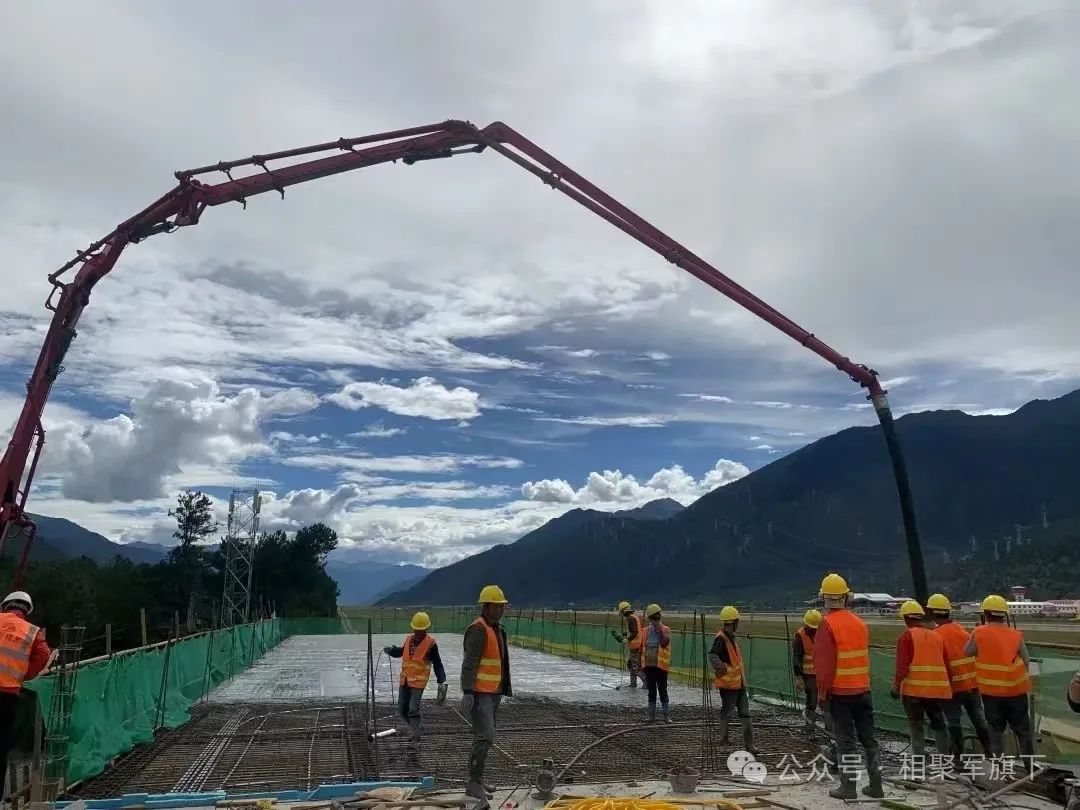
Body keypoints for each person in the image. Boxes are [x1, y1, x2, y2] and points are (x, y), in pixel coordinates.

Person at [813, 573, 883, 801]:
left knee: (846, 743)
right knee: (869, 741)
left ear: (824, 598)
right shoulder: (859, 623)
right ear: (846, 597)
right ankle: (876, 786)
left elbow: (824, 666)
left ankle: (849, 788)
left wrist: (822, 695)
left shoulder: (827, 624)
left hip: (840, 694)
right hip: (863, 691)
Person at [965, 594, 1034, 758]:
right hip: (1016, 690)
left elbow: (967, 652)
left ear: (985, 614)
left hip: (991, 692)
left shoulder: (979, 632)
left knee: (995, 730)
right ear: (1005, 615)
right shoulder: (1016, 635)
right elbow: (1026, 660)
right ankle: (1030, 766)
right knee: (1023, 731)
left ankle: (999, 767)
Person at [461, 585, 512, 802]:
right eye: (498, 606)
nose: (501, 610)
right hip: (480, 693)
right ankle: (473, 783)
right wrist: (468, 692)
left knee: (484, 737)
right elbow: (469, 663)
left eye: (502, 606)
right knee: (486, 735)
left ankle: (477, 780)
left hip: (493, 693)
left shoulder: (497, 628)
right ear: (487, 606)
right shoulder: (478, 629)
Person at [927, 592, 992, 757]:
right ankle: (991, 753)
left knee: (953, 722)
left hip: (953, 687)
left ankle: (958, 758)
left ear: (933, 613)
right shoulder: (962, 631)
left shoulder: (935, 636)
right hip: (972, 684)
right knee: (979, 720)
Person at [0, 591, 51, 799]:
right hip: (7, 695)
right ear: (25, 611)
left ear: (5, 605)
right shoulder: (31, 631)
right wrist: (23, 675)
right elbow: (44, 654)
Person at [382, 611, 447, 761]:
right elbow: (401, 652)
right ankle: (416, 728)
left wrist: (441, 680)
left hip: (418, 683)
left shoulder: (431, 645)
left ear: (425, 629)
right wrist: (391, 651)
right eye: (415, 629)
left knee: (413, 709)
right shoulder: (409, 640)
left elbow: (438, 663)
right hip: (405, 680)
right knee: (402, 710)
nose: (417, 632)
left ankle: (416, 739)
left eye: (420, 629)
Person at [892, 600, 952, 758]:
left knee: (916, 727)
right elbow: (946, 664)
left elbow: (902, 666)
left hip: (914, 693)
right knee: (940, 725)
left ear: (906, 618)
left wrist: (896, 686)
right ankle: (944, 760)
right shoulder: (936, 636)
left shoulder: (906, 636)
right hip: (937, 692)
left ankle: (918, 761)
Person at [710, 605, 759, 755]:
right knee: (727, 713)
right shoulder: (721, 638)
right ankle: (724, 743)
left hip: (739, 685)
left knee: (745, 713)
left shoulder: (730, 638)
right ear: (734, 622)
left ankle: (749, 745)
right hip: (729, 685)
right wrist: (722, 668)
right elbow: (712, 655)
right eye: (737, 621)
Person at [641, 603, 671, 723]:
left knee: (663, 689)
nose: (655, 621)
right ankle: (651, 716)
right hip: (649, 666)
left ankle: (666, 716)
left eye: (657, 618)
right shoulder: (645, 631)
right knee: (651, 690)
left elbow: (664, 643)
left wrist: (659, 630)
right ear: (650, 619)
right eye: (653, 618)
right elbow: (642, 648)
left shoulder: (666, 629)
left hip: (661, 666)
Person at [792, 609, 822, 731]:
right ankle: (809, 728)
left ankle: (831, 731)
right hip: (809, 675)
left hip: (823, 674)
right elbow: (796, 658)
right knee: (812, 700)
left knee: (829, 702)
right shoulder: (800, 636)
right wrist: (799, 678)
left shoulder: (823, 633)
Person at [610, 601, 645, 688]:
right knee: (631, 664)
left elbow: (634, 632)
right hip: (636, 645)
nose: (621, 614)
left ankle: (646, 682)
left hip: (635, 646)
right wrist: (623, 634)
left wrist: (626, 639)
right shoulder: (634, 617)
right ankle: (633, 683)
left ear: (623, 611)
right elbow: (632, 631)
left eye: (621, 612)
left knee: (635, 666)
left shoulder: (630, 618)